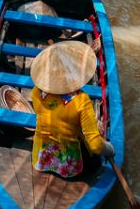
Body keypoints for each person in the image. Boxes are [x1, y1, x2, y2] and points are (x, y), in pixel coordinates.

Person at [30, 41, 115, 178]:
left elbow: (57, 117)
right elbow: (96, 146)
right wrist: (110, 149)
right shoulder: (81, 100)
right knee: (96, 160)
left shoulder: (36, 92)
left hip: (41, 160)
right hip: (68, 167)